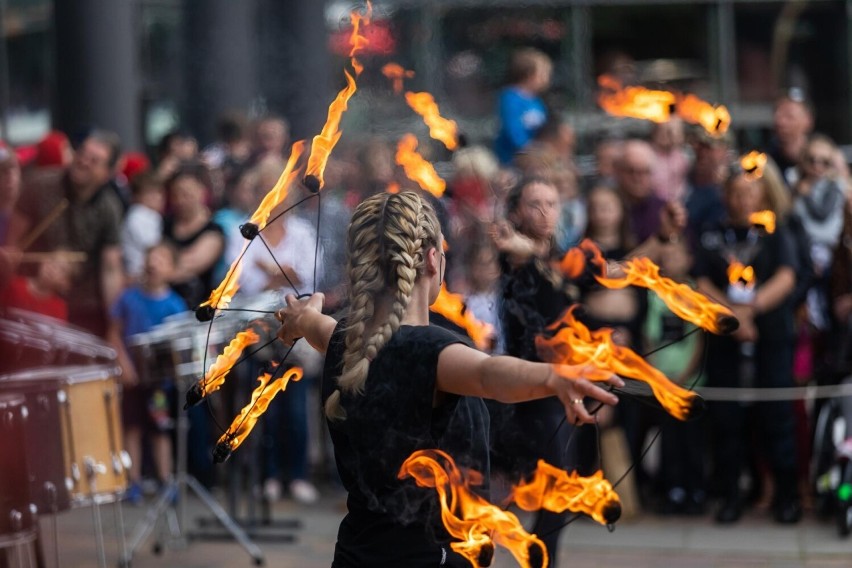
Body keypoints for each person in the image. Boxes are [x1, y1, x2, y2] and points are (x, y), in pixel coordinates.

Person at [275, 191, 621, 567]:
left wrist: (301, 317)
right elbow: (490, 374)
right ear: (432, 259)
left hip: (357, 554)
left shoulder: (344, 340)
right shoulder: (426, 349)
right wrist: (555, 376)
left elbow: (314, 325)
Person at [693, 169, 801, 524]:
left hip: (770, 336)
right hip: (726, 337)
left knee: (777, 418)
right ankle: (730, 496)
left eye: (749, 193)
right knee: (727, 422)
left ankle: (787, 496)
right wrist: (732, 317)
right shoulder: (711, 234)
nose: (742, 200)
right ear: (726, 195)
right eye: (736, 193)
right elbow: (702, 279)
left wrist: (752, 311)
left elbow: (786, 276)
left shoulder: (775, 231)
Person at [10, 130, 125, 337]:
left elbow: (110, 268)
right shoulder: (39, 185)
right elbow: (13, 243)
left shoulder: (110, 207)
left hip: (85, 308)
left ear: (107, 173)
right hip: (36, 301)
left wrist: (113, 323)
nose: (84, 161)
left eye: (94, 160)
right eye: (82, 153)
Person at [107, 242, 188, 504]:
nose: (153, 264)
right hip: (131, 379)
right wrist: (124, 365)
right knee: (131, 428)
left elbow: (180, 346)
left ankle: (166, 480)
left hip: (159, 384)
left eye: (161, 260)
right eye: (150, 258)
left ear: (172, 270)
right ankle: (133, 482)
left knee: (160, 429)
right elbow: (114, 333)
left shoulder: (176, 305)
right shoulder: (128, 297)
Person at [162, 164, 225, 309]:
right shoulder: (164, 224)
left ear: (202, 191)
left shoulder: (213, 230)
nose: (180, 200)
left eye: (186, 194)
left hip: (199, 309)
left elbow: (190, 265)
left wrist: (159, 269)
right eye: (175, 195)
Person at [493, 48, 552, 165]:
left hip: (537, 158)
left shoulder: (537, 101)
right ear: (529, 74)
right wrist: (528, 149)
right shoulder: (510, 98)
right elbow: (512, 128)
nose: (547, 78)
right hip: (512, 160)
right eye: (543, 73)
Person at [121, 171, 166, 282]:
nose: (157, 198)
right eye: (150, 194)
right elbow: (151, 246)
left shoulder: (148, 215)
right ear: (137, 196)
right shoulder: (139, 215)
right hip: (138, 276)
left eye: (159, 193)